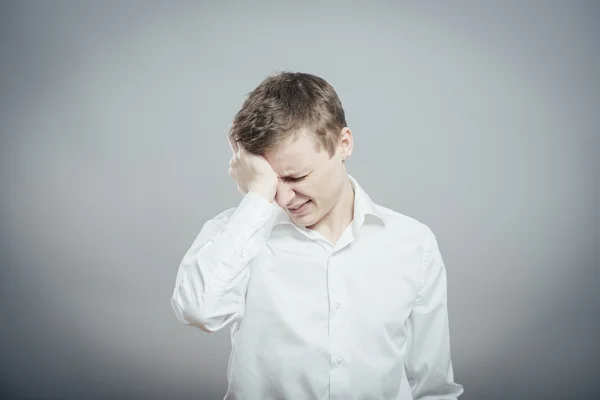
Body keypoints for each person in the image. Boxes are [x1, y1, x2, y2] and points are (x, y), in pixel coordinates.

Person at [170, 71, 464, 399]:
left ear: (343, 144)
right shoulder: (238, 234)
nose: (283, 198)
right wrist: (257, 196)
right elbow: (198, 309)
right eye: (271, 180)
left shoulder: (413, 244)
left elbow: (434, 387)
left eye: (296, 176)